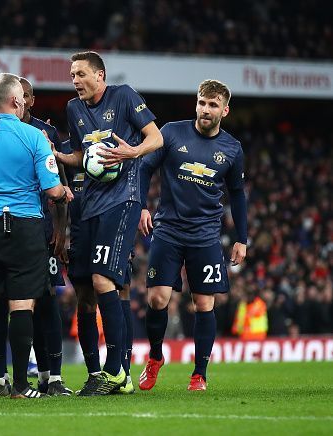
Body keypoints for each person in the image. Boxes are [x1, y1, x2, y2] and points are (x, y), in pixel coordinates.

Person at [53, 51, 163, 395]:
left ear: (100, 75)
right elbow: (80, 159)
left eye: (81, 74)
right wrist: (55, 153)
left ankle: (118, 372)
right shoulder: (74, 110)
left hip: (122, 200)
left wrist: (132, 152)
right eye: (72, 75)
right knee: (85, 289)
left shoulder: (125, 95)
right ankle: (97, 374)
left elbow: (155, 138)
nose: (75, 81)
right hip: (88, 206)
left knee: (105, 280)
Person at [0, 73, 70, 399]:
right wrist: (63, 192)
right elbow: (51, 188)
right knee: (22, 304)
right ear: (17, 101)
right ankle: (20, 386)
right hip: (24, 227)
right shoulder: (33, 137)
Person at [137, 79, 247, 391]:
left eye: (213, 105)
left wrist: (242, 238)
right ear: (196, 103)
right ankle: (155, 357)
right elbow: (144, 169)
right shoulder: (171, 132)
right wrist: (143, 207)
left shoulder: (232, 148)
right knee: (157, 298)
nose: (205, 109)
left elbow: (238, 194)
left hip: (206, 235)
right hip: (168, 230)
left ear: (224, 110)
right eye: (202, 102)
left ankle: (199, 373)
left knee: (203, 304)